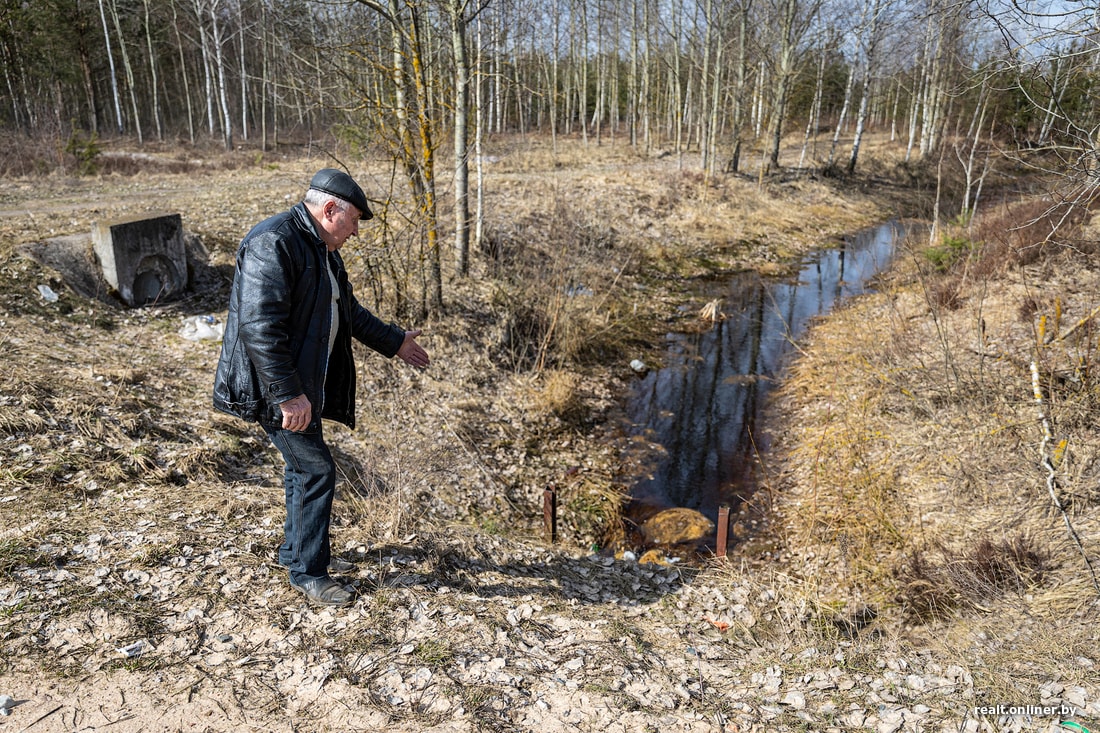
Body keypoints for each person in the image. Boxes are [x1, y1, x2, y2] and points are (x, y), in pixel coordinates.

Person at [213, 168, 430, 607]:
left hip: (299, 386)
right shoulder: (273, 243)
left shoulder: (322, 249)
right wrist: (287, 395)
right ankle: (309, 573)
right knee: (316, 470)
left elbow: (347, 309)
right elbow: (259, 328)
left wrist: (395, 342)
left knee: (303, 468)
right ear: (330, 210)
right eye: (351, 224)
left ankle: (297, 552)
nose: (353, 234)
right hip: (272, 387)